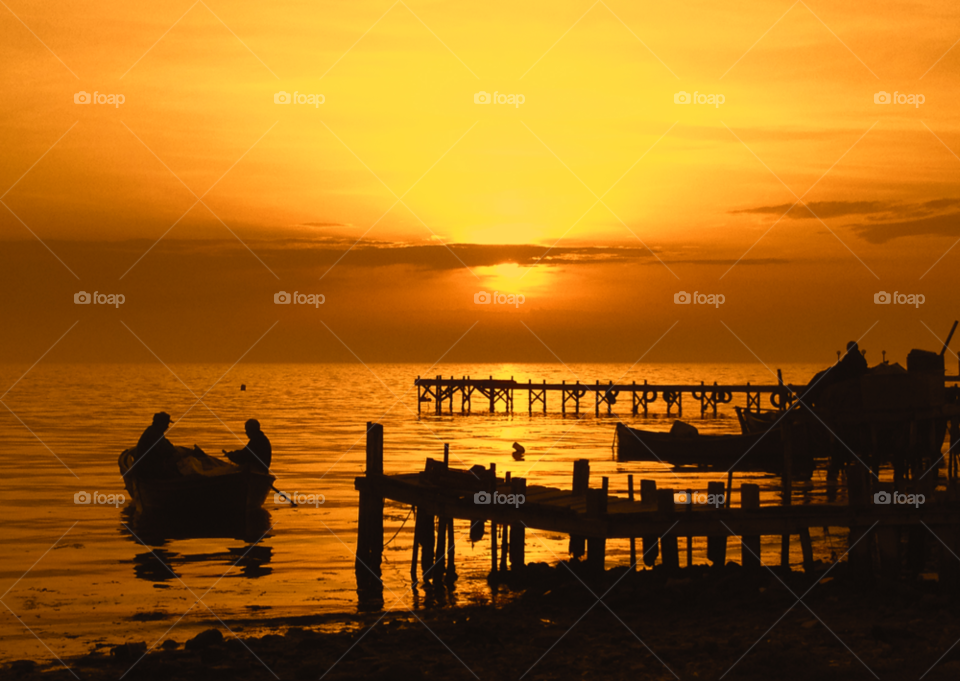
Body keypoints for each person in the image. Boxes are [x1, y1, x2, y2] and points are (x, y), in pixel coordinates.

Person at [134, 412, 179, 478]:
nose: (167, 426)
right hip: (148, 468)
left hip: (150, 465)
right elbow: (165, 451)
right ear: (160, 424)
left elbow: (167, 445)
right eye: (166, 424)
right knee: (176, 475)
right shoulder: (154, 434)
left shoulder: (156, 432)